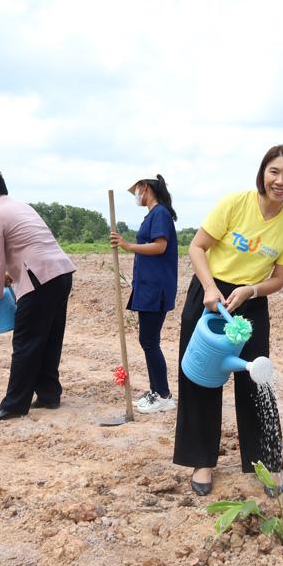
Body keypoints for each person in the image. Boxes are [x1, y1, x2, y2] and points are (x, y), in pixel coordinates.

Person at [173, 145, 283, 496]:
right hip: (209, 296)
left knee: (256, 379)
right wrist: (209, 287)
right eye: (274, 171)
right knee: (201, 378)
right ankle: (202, 461)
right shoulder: (235, 203)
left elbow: (279, 279)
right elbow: (197, 247)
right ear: (263, 173)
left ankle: (266, 462)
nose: (280, 181)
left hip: (250, 301)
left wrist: (251, 290)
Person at [0, 168, 77, 421]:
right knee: (49, 338)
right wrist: (11, 275)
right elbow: (28, 245)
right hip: (60, 274)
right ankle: (49, 394)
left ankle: (14, 404)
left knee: (25, 342)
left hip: (41, 279)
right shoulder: (20, 206)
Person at [110, 174, 179, 413]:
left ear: (145, 188)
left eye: (136, 190)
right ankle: (157, 391)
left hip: (156, 288)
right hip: (148, 286)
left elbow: (160, 246)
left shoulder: (160, 213)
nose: (136, 196)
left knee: (149, 341)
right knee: (148, 340)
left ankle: (163, 395)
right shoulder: (153, 214)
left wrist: (128, 246)